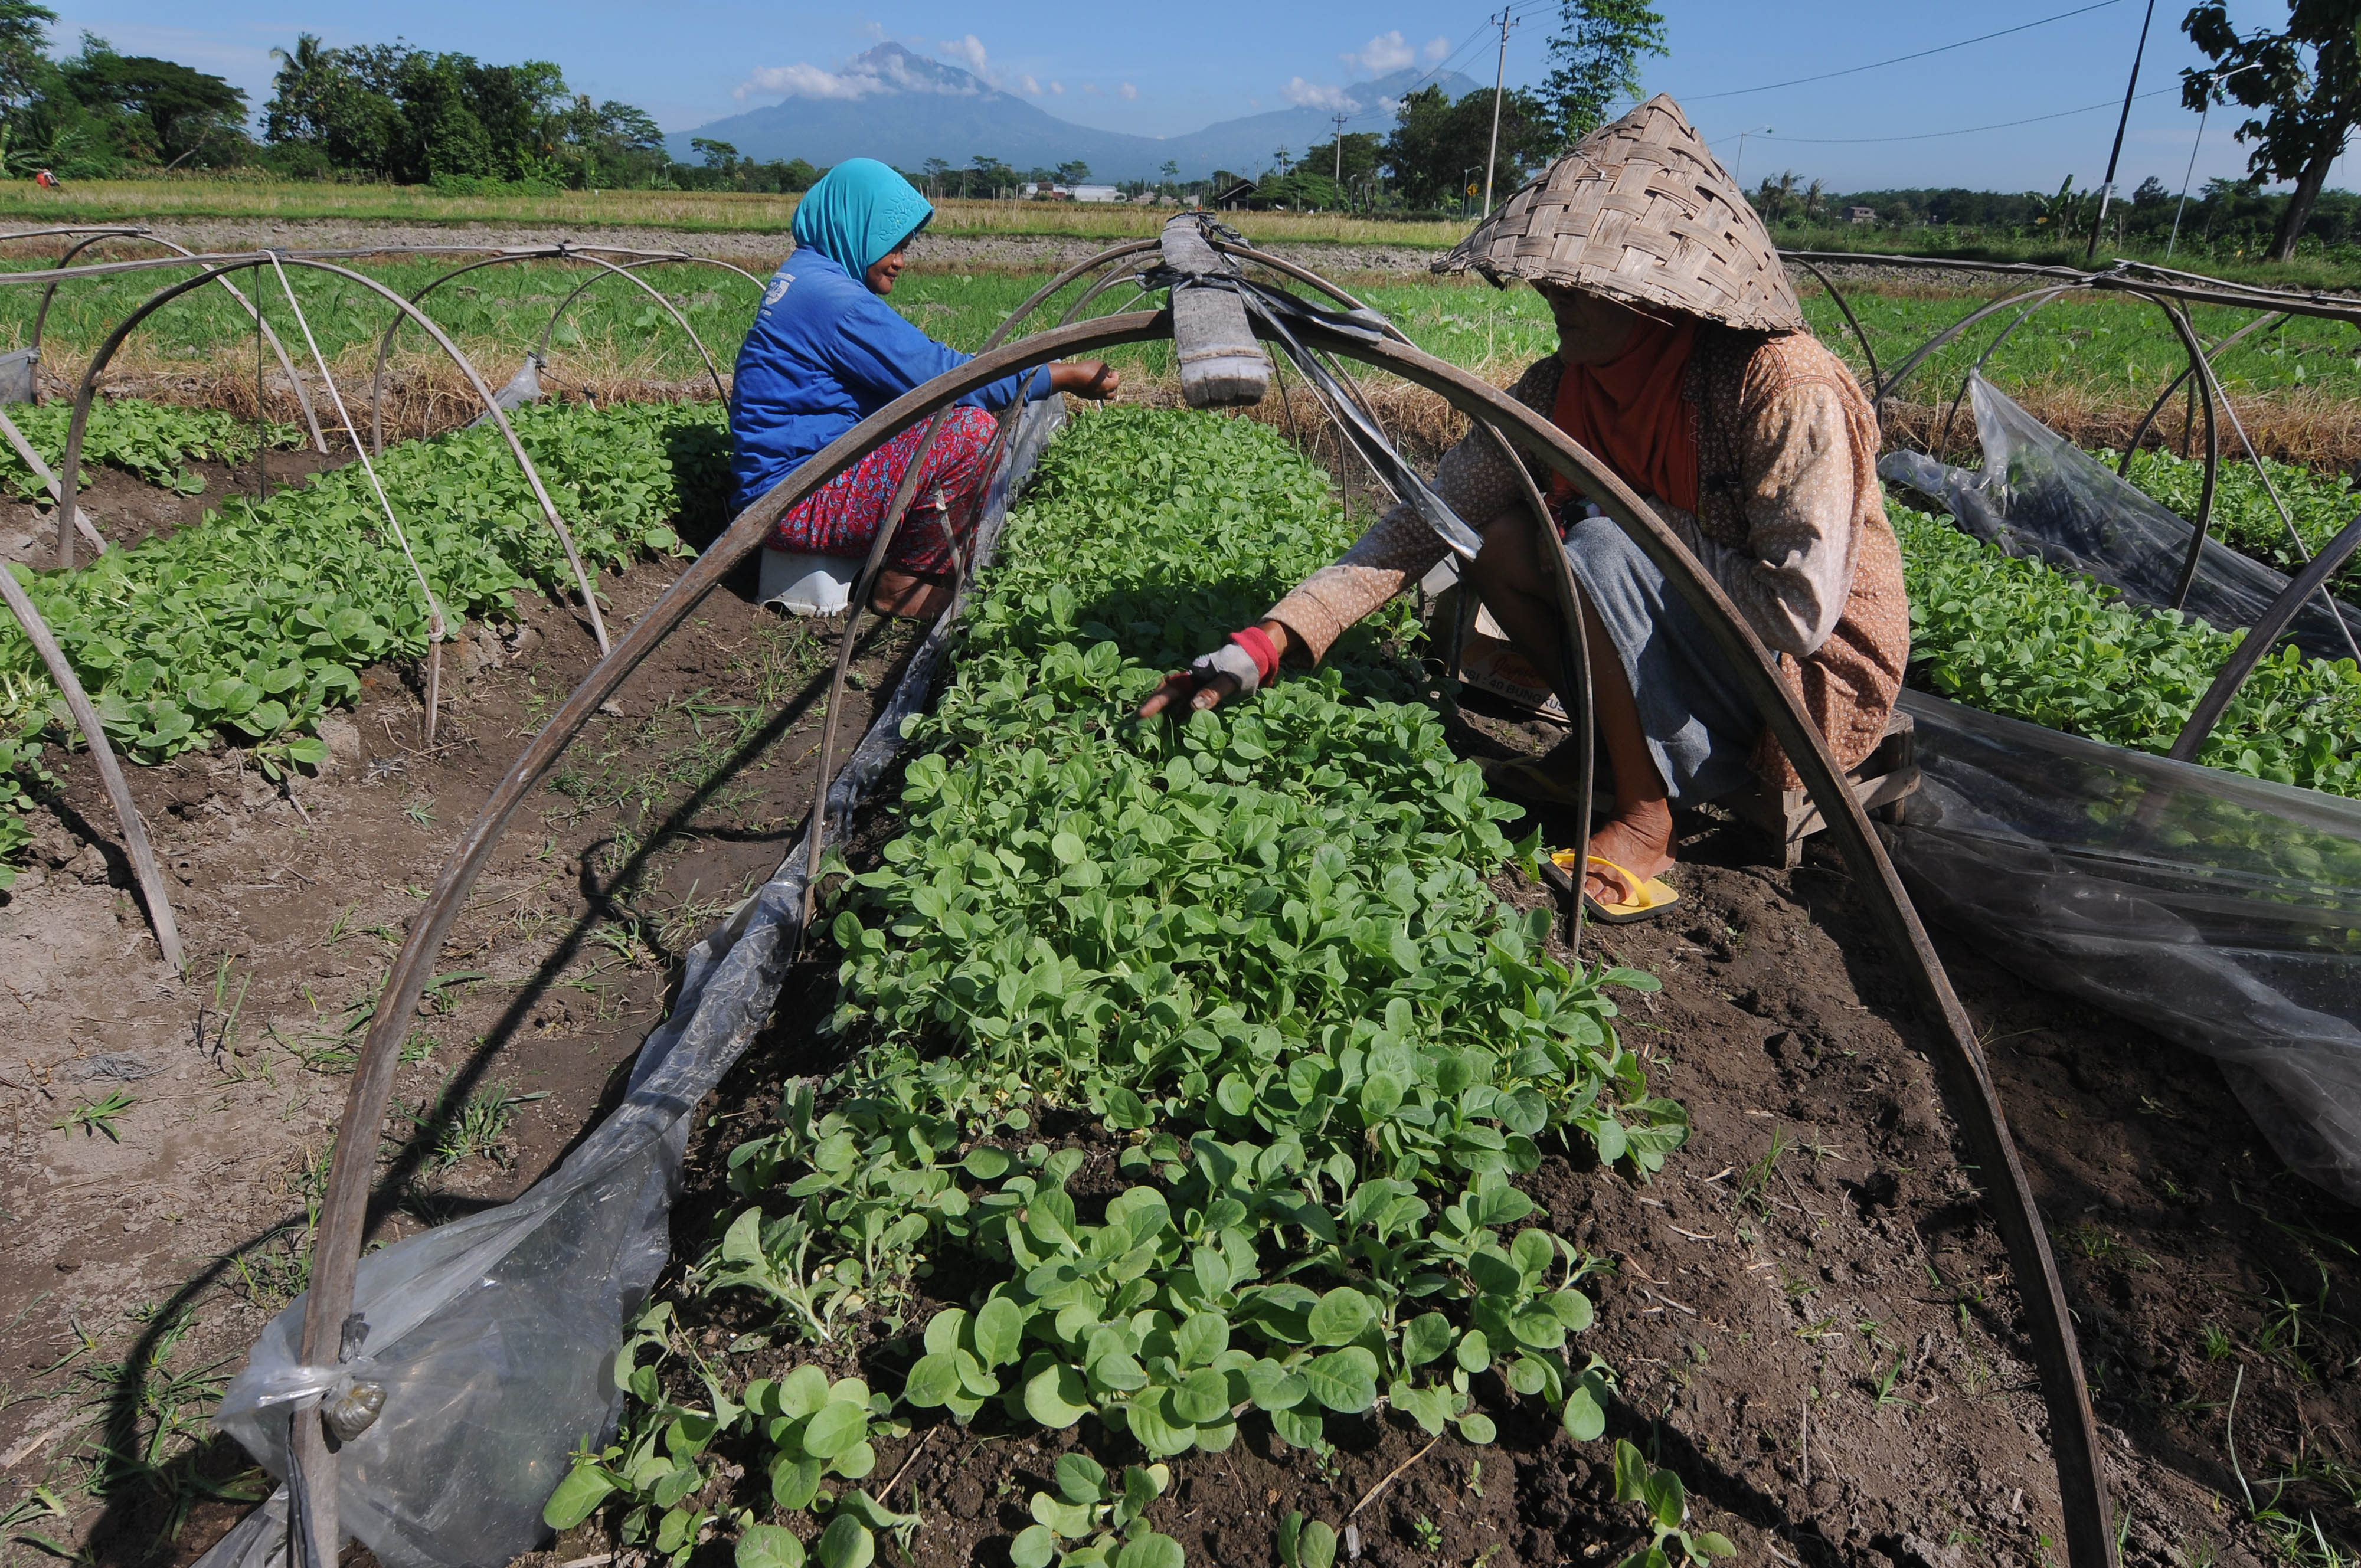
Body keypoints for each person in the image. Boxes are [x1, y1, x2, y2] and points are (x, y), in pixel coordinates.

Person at [1139, 96, 1908, 924]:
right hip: (1692, 639)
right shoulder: (1560, 388)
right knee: (1501, 540)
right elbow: (1426, 518)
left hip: (1800, 680)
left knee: (1600, 548)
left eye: (1581, 281)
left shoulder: (1782, 386)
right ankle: (1615, 749)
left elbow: (1796, 613)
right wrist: (1266, 642)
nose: (1551, 291)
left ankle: (1650, 818)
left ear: (1657, 291)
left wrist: (1629, 523)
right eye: (1553, 274)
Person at [730, 157, 1121, 619]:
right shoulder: (833, 301)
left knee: (953, 420)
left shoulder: (809, 276)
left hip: (792, 484)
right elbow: (946, 378)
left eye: (905, 247)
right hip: (788, 503)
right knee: (968, 431)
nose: (899, 262)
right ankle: (902, 585)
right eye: (890, 246)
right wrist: (1064, 375)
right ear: (854, 226)